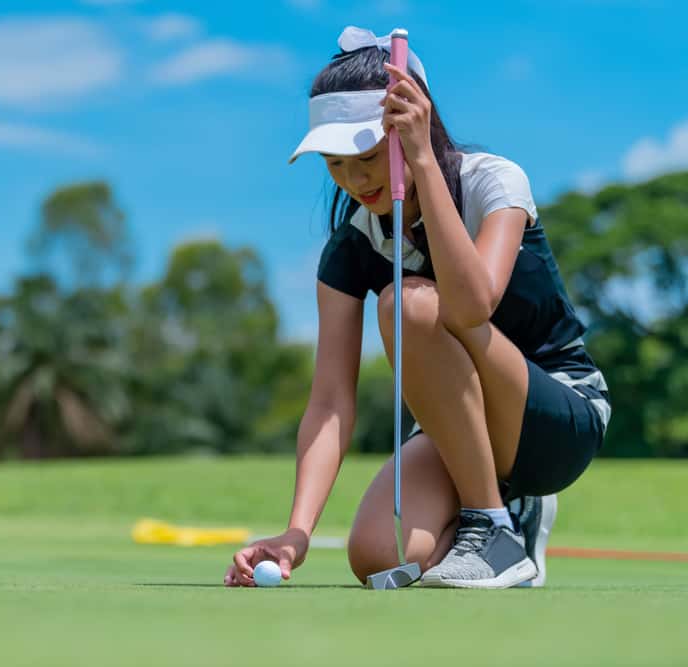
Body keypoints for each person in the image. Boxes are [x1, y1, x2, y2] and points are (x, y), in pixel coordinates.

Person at [223, 26, 610, 589]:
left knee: (408, 305)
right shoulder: (351, 245)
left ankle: (492, 528)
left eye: (369, 155)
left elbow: (472, 306)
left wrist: (425, 164)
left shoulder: (493, 183)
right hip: (456, 433)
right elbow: (331, 401)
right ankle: (511, 520)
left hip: (555, 419)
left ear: (414, 126)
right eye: (334, 164)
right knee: (380, 556)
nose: (355, 180)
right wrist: (297, 532)